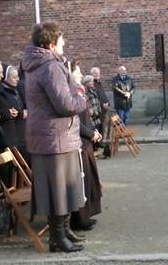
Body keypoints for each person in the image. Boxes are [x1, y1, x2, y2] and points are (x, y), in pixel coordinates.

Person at [21, 23, 87, 253]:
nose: (64, 43)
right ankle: (57, 238)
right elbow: (65, 104)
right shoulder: (50, 66)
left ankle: (64, 231)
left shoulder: (39, 65)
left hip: (53, 136)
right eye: (61, 40)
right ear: (51, 44)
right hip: (54, 137)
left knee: (64, 188)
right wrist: (80, 98)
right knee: (58, 190)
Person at [69, 62, 103, 232]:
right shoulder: (71, 93)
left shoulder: (79, 91)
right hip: (79, 142)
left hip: (86, 140)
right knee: (81, 182)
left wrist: (93, 130)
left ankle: (87, 215)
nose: (81, 75)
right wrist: (91, 134)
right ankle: (79, 220)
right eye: (78, 72)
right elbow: (76, 122)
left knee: (88, 181)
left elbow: (86, 119)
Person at [1, 64, 29, 162]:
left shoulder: (15, 90)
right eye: (13, 77)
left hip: (21, 133)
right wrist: (21, 114)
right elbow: (10, 109)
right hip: (14, 134)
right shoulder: (4, 92)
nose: (17, 79)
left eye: (17, 76)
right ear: (5, 77)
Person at [91, 67, 110, 137]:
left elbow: (103, 95)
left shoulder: (99, 83)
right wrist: (102, 104)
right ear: (92, 74)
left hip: (104, 108)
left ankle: (100, 141)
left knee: (103, 125)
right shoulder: (93, 84)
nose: (97, 74)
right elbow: (96, 97)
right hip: (99, 109)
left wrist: (108, 102)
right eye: (95, 73)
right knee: (100, 126)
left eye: (98, 73)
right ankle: (99, 143)